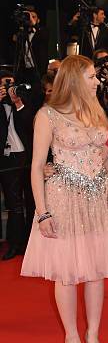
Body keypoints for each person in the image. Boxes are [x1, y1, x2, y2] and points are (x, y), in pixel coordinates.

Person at [20, 55, 108, 343]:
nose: (98, 81)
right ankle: (72, 337)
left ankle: (92, 335)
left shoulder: (95, 111)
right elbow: (36, 166)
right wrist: (42, 213)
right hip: (63, 199)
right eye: (93, 76)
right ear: (74, 79)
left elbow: (101, 155)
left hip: (97, 199)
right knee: (68, 274)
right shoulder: (47, 116)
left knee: (96, 270)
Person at [0, 71, 36, 260]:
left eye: (12, 84)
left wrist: (18, 102)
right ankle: (14, 244)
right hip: (7, 159)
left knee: (30, 202)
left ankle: (30, 243)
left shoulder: (23, 102)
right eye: (5, 85)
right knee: (14, 205)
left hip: (26, 157)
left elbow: (30, 124)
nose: (9, 89)